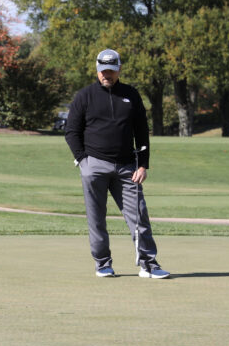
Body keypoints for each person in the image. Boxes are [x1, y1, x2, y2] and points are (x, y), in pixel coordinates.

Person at [64, 49, 170, 279]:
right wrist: (83, 161)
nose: (107, 75)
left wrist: (143, 165)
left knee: (139, 215)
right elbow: (71, 131)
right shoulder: (85, 96)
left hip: (127, 167)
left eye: (111, 71)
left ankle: (148, 264)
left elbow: (141, 131)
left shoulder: (131, 95)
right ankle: (103, 263)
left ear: (119, 69)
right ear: (97, 70)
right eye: (103, 71)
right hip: (94, 164)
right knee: (96, 218)